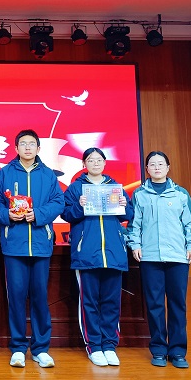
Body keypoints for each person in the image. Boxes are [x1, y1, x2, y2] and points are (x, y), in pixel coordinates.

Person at [0, 129, 64, 369]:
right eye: (23, 144)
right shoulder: (4, 173)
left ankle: (41, 348)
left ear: (39, 148)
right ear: (16, 148)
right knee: (16, 297)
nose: (28, 147)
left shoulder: (48, 175)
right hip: (14, 245)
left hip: (41, 244)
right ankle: (18, 348)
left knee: (40, 297)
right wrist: (7, 215)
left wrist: (38, 214)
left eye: (32, 144)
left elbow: (59, 202)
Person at [128, 151, 191, 369]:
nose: (157, 167)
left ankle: (178, 351)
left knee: (178, 304)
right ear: (147, 169)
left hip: (178, 257)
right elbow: (134, 224)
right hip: (150, 257)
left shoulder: (180, 194)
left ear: (168, 168)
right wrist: (135, 245)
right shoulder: (139, 194)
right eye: (152, 164)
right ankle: (159, 349)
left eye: (161, 164)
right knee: (155, 305)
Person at [62, 147, 134, 367]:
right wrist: (79, 206)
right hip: (87, 254)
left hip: (113, 253)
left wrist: (124, 206)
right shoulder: (76, 188)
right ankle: (94, 346)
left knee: (112, 302)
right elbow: (65, 214)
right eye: (91, 160)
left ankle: (110, 345)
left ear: (104, 163)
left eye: (99, 160)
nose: (95, 163)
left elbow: (129, 214)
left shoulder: (115, 187)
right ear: (84, 164)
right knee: (89, 302)